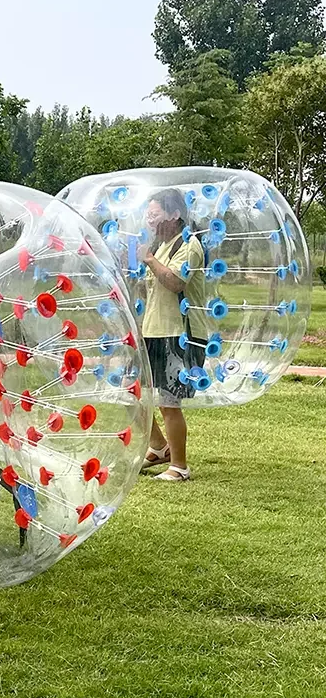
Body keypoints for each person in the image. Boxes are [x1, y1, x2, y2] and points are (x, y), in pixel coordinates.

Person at [139, 187, 206, 482]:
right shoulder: (160, 246)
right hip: (153, 331)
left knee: (168, 401)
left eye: (154, 214)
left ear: (174, 214)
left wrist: (149, 260)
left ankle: (179, 466)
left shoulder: (188, 246)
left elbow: (176, 282)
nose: (148, 220)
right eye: (147, 214)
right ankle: (158, 447)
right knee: (135, 395)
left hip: (180, 334)